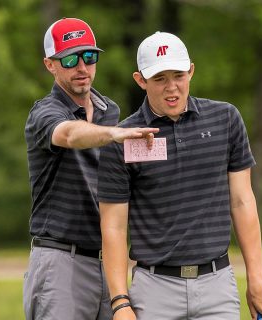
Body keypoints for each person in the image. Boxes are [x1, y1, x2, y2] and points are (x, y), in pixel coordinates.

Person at [98, 31, 262, 320]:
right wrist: (120, 301)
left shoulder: (226, 119)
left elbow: (242, 201)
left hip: (217, 285)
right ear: (140, 80)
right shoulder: (124, 139)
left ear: (191, 71)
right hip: (153, 289)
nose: (172, 88)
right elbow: (114, 227)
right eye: (160, 79)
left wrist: (256, 276)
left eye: (178, 75)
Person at [23, 18, 159, 320]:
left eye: (89, 56)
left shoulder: (110, 110)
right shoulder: (44, 113)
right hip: (61, 261)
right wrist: (111, 133)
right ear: (50, 64)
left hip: (110, 261)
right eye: (70, 59)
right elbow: (69, 134)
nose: (82, 67)